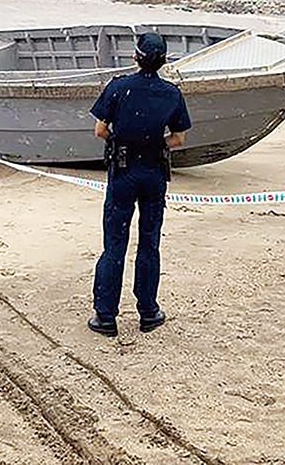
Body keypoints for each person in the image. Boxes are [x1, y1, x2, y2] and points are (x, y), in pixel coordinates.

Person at [87, 32, 191, 338]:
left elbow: (99, 130)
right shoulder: (172, 93)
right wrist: (155, 143)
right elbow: (179, 138)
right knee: (149, 242)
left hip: (123, 170)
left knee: (114, 243)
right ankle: (148, 311)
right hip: (154, 173)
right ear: (164, 61)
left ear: (136, 57)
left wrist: (123, 139)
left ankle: (106, 316)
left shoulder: (119, 87)